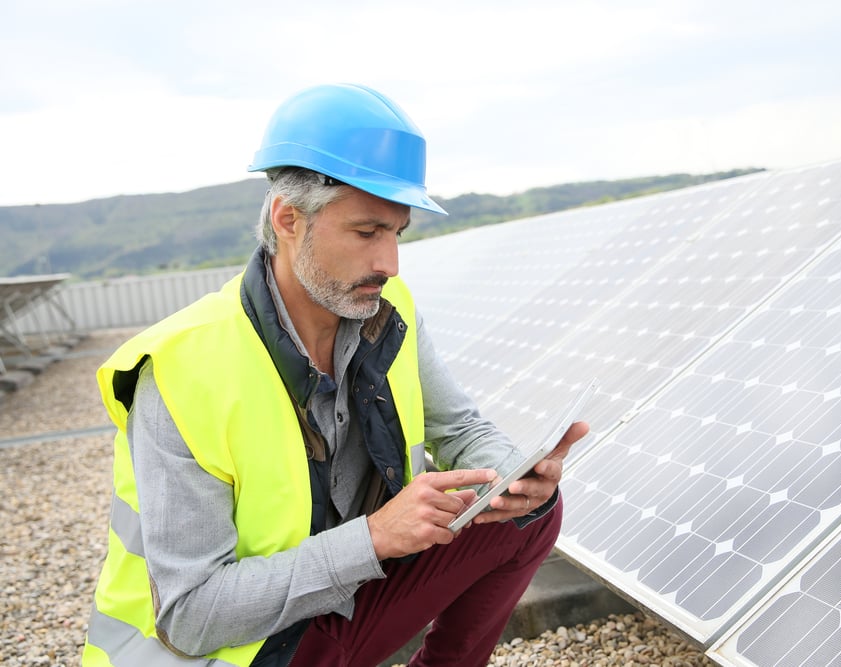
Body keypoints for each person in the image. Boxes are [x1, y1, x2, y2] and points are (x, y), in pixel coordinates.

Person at [82, 83, 589, 667]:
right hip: (240, 649)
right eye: (366, 232)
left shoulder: (385, 310)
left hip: (337, 600)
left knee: (530, 516)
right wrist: (373, 538)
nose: (389, 263)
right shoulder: (183, 368)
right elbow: (191, 616)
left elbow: (459, 428)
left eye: (397, 232)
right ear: (288, 219)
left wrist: (514, 476)